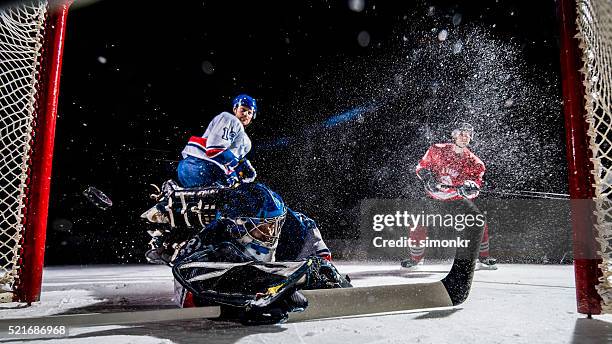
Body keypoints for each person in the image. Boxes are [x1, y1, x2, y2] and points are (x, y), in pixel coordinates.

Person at [401, 122, 497, 270]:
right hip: (433, 199)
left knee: (479, 221)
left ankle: (483, 257)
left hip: (456, 201)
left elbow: (476, 188)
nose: (464, 137)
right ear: (453, 135)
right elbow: (421, 167)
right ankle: (415, 259)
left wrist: (469, 190)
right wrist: (428, 179)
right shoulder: (436, 150)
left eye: (467, 135)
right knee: (417, 222)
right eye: (461, 133)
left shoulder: (475, 163)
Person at [177, 94, 258, 188]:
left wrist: (243, 165)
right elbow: (214, 150)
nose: (245, 114)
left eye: (249, 112)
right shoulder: (230, 119)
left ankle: (168, 198)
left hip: (197, 168)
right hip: (200, 164)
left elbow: (228, 158)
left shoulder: (245, 140)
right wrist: (237, 166)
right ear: (235, 109)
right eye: (243, 110)